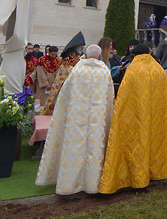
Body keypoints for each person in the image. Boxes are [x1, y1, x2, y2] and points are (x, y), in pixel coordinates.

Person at [98, 44, 167, 192]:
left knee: (136, 144)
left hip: (136, 116)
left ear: (135, 55)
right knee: (154, 141)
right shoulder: (158, 69)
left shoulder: (133, 69)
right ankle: (156, 172)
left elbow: (124, 96)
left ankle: (137, 176)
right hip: (156, 116)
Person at [35, 44, 114, 195]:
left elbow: (64, 97)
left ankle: (69, 184)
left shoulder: (76, 70)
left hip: (75, 120)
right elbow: (110, 99)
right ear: (99, 57)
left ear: (85, 55)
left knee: (74, 150)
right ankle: (93, 184)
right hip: (97, 122)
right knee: (94, 149)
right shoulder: (105, 72)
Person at [41, 32, 86, 115]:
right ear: (76, 46)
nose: (82, 48)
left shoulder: (76, 57)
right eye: (81, 46)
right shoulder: (69, 60)